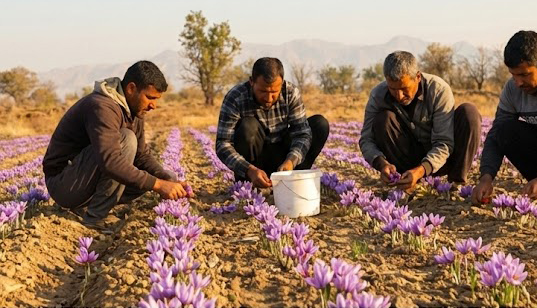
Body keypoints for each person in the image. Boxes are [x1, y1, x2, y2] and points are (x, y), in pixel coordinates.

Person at [43, 60, 189, 229]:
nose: (153, 106)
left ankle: (90, 207)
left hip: (82, 180)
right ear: (131, 88)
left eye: (156, 99)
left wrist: (165, 179)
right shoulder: (102, 106)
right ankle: (95, 218)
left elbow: (141, 155)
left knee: (155, 175)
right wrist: (157, 185)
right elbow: (110, 161)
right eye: (150, 97)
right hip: (64, 184)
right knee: (127, 140)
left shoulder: (133, 110)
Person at [359, 51, 482, 193]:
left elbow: (444, 142)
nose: (399, 96)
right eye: (392, 89)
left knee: (469, 112)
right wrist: (381, 164)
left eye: (404, 88)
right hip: (407, 159)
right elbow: (366, 139)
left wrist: (422, 170)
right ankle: (404, 181)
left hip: (442, 159)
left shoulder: (438, 90)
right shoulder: (378, 95)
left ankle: (456, 182)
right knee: (383, 119)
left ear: (417, 77)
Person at [473, 31, 537, 206]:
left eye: (525, 74)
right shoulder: (512, 89)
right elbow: (496, 135)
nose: (518, 83)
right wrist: (486, 177)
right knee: (506, 130)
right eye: (513, 75)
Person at [216, 57, 329, 189]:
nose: (269, 98)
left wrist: (291, 161)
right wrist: (248, 170)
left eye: (274, 92)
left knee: (319, 125)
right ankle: (250, 185)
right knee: (248, 126)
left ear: (282, 83)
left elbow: (302, 134)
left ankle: (293, 182)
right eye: (263, 91)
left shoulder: (290, 93)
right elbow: (223, 144)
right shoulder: (235, 97)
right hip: (253, 163)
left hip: (282, 158)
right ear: (251, 81)